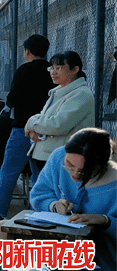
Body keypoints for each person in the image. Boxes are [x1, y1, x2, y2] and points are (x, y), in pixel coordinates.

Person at [0, 128, 117, 271]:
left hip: (100, 258)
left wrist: (105, 220)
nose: (74, 174)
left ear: (101, 165)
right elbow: (39, 194)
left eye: (84, 171)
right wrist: (53, 205)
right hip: (58, 246)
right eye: (70, 165)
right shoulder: (58, 157)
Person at [0, 34, 55, 227]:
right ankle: (39, 216)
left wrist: (11, 101)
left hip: (23, 128)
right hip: (46, 130)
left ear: (27, 51)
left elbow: (13, 99)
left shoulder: (24, 70)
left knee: (9, 171)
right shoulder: (53, 71)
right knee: (39, 175)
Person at [24, 50, 95, 182]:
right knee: (42, 198)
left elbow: (57, 125)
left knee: (58, 199)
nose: (53, 72)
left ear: (75, 70)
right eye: (52, 68)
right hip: (44, 155)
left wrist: (31, 124)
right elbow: (44, 118)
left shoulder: (81, 94)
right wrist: (35, 125)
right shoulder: (58, 91)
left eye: (59, 68)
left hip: (63, 159)